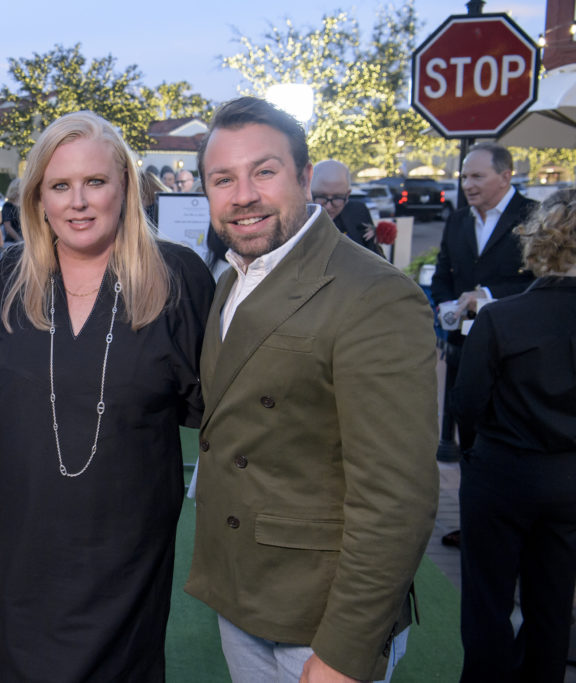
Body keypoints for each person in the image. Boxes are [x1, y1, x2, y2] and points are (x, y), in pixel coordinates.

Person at [184, 96, 438, 683]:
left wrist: (345, 651)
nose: (243, 194)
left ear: (303, 178)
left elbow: (396, 497)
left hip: (318, 619)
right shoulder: (233, 278)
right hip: (246, 595)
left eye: (264, 171)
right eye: (223, 178)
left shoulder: (373, 294)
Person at [0, 111, 214, 682]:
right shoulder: (6, 279)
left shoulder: (177, 278)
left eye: (95, 182)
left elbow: (207, 408)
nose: (78, 202)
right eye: (60, 185)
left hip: (126, 551)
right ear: (38, 199)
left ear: (124, 187)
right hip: (18, 548)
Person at [453, 188, 576, 683]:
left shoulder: (501, 318)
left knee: (487, 600)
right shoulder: (500, 317)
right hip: (568, 479)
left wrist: (475, 457)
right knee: (553, 600)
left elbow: (467, 405)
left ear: (539, 242)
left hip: (501, 474)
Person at [431, 142, 537, 465]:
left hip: (513, 347)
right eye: (464, 177)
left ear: (505, 177)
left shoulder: (533, 216)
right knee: (466, 422)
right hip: (463, 345)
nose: (467, 185)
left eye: (477, 176)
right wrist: (445, 304)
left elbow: (540, 280)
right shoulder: (459, 220)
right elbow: (442, 272)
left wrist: (488, 296)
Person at [311, 159, 384, 256]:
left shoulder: (358, 212)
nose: (328, 206)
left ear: (348, 195)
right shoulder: (295, 217)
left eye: (337, 198)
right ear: (308, 192)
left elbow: (378, 261)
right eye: (320, 196)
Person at [0, 177, 22, 242]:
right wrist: (19, 239)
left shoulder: (23, 205)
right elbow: (8, 227)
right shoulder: (8, 206)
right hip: (13, 242)